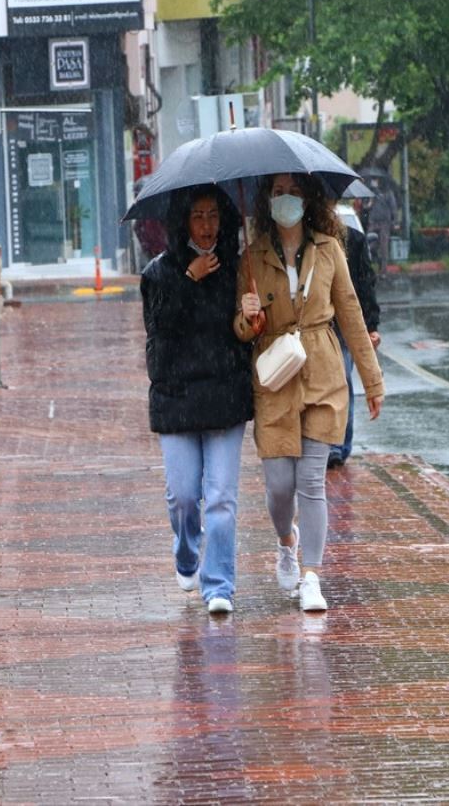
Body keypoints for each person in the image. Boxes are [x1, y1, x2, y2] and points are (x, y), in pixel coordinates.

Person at [235, 173, 385, 612]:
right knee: (280, 485)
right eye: (279, 192)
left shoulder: (329, 248)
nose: (287, 200)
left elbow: (352, 315)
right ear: (266, 199)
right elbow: (240, 330)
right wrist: (247, 318)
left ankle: (311, 576)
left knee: (312, 481)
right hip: (276, 378)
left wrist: (372, 380)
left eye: (295, 192)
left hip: (322, 371)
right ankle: (286, 540)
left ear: (309, 199)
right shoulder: (253, 256)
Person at [141, 185, 254, 615]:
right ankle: (186, 553)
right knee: (184, 496)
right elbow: (161, 334)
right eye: (197, 217)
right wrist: (190, 279)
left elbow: (243, 336)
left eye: (213, 216)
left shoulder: (238, 269)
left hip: (225, 396)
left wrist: (251, 317)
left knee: (222, 497)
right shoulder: (159, 273)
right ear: (183, 222)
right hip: (177, 400)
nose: (206, 226)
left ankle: (219, 583)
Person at [327, 210, 380, 468]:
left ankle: (338, 444)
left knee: (342, 380)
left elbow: (363, 286)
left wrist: (371, 325)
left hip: (343, 325)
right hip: (313, 324)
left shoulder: (354, 242)